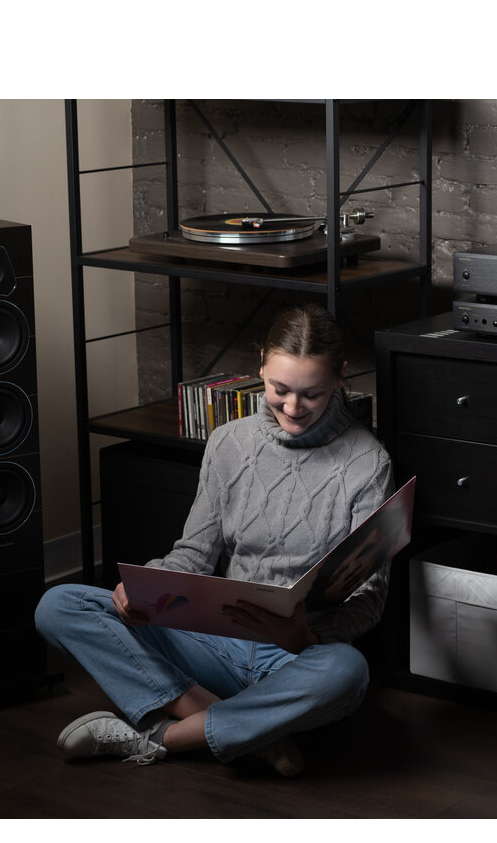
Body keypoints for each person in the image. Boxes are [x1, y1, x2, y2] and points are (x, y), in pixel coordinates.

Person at [35, 303, 394, 777]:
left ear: (340, 377)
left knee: (347, 672)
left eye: (312, 394)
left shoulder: (368, 463)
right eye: (280, 389)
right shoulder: (229, 442)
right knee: (59, 605)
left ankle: (162, 738)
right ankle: (249, 729)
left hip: (297, 657)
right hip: (214, 641)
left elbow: (370, 597)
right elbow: (194, 553)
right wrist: (147, 586)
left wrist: (307, 637)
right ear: (260, 364)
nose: (292, 408)